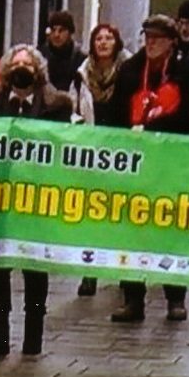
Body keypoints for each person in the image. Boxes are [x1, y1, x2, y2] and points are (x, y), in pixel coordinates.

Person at [0, 44, 73, 359]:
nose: (22, 68)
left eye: (28, 64)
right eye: (16, 63)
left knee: (34, 268)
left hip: (37, 197)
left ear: (39, 71)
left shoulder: (57, 104)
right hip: (0, 197)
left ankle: (33, 335)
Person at [109, 14, 189, 323]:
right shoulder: (131, 70)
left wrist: (157, 127)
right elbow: (115, 113)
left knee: (171, 228)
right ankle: (132, 297)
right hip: (136, 164)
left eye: (158, 39)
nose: (151, 43)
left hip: (172, 163)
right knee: (133, 231)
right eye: (147, 37)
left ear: (172, 42)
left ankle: (176, 297)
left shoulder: (185, 71)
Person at [69, 23, 131, 296]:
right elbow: (73, 108)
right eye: (98, 39)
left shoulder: (129, 71)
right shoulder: (82, 75)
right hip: (93, 151)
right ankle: (90, 271)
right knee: (93, 212)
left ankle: (121, 266)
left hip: (122, 150)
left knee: (120, 212)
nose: (103, 43)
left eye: (109, 38)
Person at [38, 10, 87, 92]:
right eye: (53, 30)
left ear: (70, 33)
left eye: (62, 30)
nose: (56, 35)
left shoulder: (80, 60)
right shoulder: (39, 56)